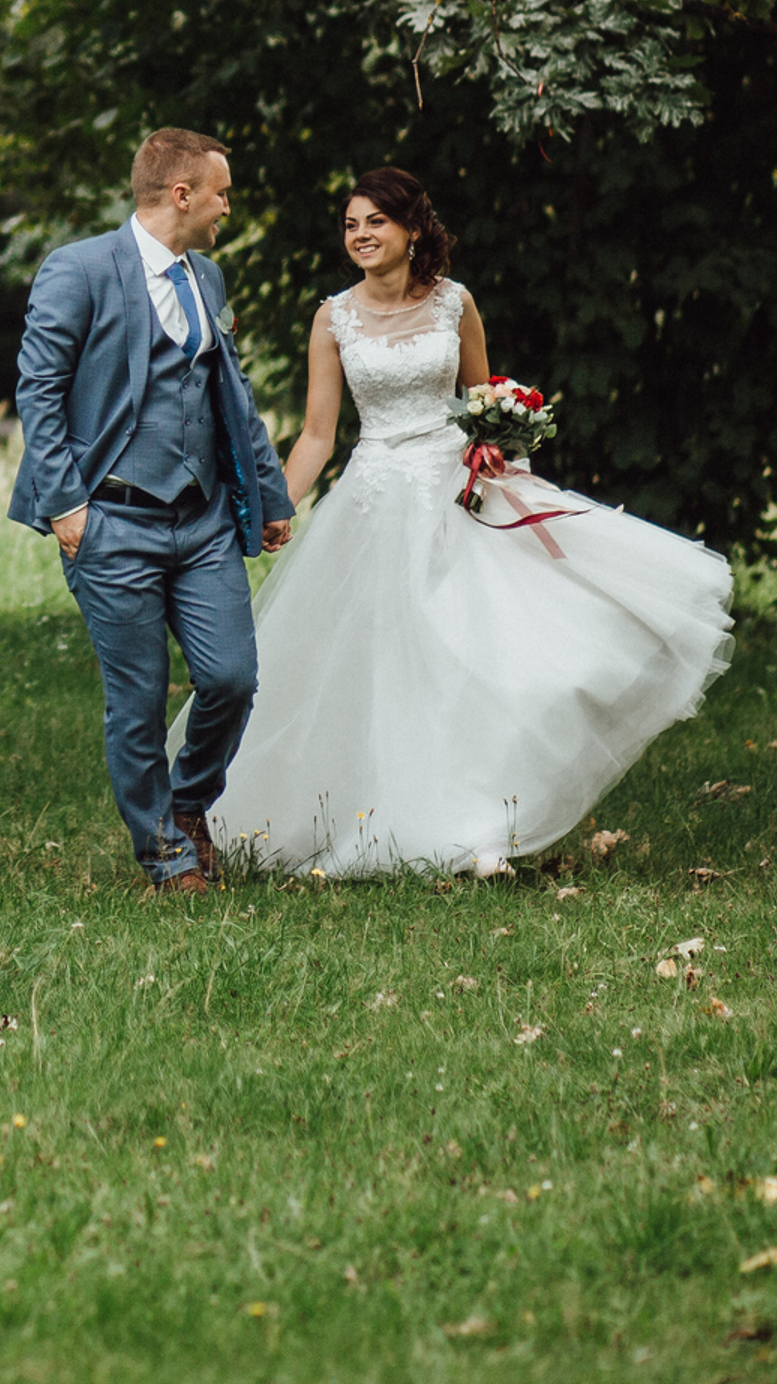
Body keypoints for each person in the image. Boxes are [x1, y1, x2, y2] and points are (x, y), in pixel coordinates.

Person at [192, 168, 733, 880]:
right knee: (378, 668)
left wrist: (506, 452)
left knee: (473, 660)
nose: (360, 236)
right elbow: (319, 434)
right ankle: (373, 817)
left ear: (411, 229)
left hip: (458, 495)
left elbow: (483, 403)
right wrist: (277, 507)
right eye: (351, 225)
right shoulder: (334, 317)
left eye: (375, 223)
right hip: (375, 500)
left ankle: (475, 827)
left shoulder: (455, 303)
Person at [10, 129, 296, 894]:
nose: (226, 209)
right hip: (109, 519)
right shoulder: (79, 270)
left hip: (201, 520)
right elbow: (38, 392)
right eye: (221, 193)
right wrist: (67, 506)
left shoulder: (209, 278)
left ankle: (190, 803)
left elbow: (233, 395)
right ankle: (165, 854)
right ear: (181, 195)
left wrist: (266, 495)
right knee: (136, 702)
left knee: (232, 677)